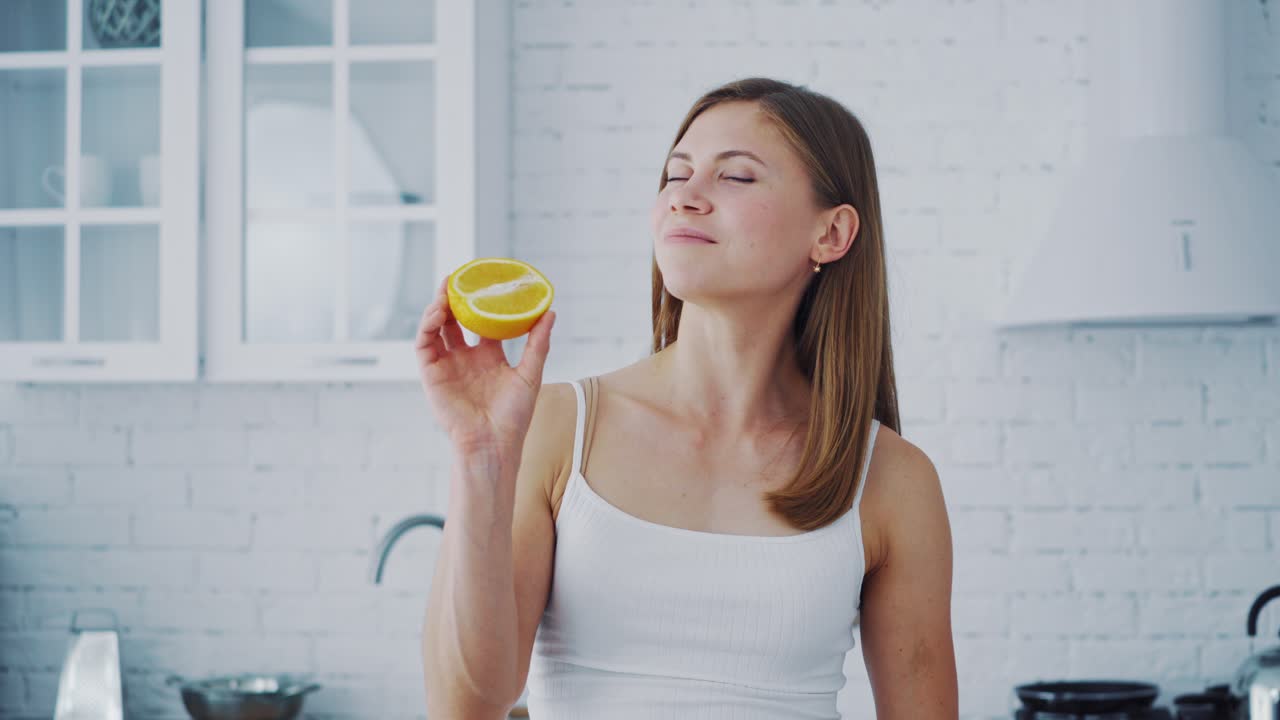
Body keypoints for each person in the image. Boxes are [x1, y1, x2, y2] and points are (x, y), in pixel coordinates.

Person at [418, 77, 958, 719]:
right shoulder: (559, 428)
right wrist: (481, 462)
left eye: (736, 178)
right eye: (675, 176)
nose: (685, 198)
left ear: (832, 233)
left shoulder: (891, 478)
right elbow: (466, 704)